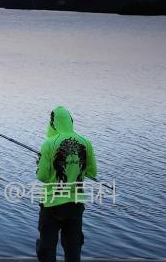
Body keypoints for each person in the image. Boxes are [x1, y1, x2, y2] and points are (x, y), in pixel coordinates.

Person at [35, 106, 97, 262]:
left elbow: (42, 176)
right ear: (70, 121)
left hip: (52, 204)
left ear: (53, 123)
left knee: (47, 248)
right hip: (75, 204)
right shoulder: (85, 143)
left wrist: (40, 162)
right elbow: (92, 173)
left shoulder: (49, 144)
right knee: (73, 249)